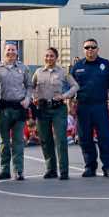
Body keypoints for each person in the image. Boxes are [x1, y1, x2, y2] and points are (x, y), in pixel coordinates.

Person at [69, 37, 109, 178]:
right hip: (83, 107)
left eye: (93, 47)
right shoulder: (77, 66)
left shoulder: (105, 64)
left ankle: (108, 167)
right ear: (83, 50)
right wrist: (70, 103)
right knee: (85, 139)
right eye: (87, 47)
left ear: (97, 49)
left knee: (104, 138)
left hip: (100, 106)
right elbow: (70, 86)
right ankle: (90, 166)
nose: (90, 49)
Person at [31, 45, 76, 180]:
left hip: (58, 109)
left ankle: (64, 170)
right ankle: (51, 169)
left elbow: (75, 86)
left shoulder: (63, 72)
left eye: (51, 56)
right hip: (42, 109)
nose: (49, 58)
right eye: (47, 56)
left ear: (56, 58)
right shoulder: (38, 72)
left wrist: (64, 96)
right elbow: (30, 87)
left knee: (61, 139)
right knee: (45, 139)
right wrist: (34, 97)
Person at [0, 41, 33, 181]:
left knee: (18, 141)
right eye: (8, 50)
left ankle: (18, 170)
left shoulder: (23, 68)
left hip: (19, 108)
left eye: (13, 50)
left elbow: (29, 86)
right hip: (3, 109)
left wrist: (27, 99)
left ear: (17, 52)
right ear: (4, 51)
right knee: (4, 142)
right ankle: (5, 170)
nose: (11, 52)